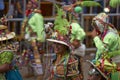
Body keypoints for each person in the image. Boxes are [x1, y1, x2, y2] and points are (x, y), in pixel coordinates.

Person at [91, 12, 120, 80]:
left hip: (112, 64)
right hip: (108, 62)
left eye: (96, 26)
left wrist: (95, 37)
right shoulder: (106, 31)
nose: (95, 29)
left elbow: (102, 49)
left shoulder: (110, 35)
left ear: (101, 25)